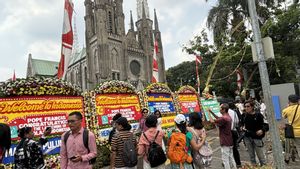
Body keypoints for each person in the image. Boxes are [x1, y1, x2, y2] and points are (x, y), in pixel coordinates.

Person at [207, 103, 237, 169]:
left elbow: (212, 121)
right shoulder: (227, 116)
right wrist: (211, 112)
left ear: (223, 110)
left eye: (220, 108)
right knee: (231, 157)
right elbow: (218, 118)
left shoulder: (224, 118)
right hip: (229, 139)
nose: (219, 109)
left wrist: (208, 113)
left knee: (225, 159)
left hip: (225, 140)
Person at [240, 100, 267, 166]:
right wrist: (241, 127)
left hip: (257, 138)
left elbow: (266, 125)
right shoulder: (244, 115)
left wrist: (262, 130)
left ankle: (264, 167)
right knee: (251, 156)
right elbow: (240, 123)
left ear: (252, 107)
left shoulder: (258, 115)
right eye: (245, 106)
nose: (246, 108)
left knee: (261, 157)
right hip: (247, 137)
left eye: (248, 106)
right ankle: (254, 167)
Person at [228, 103, 242, 168]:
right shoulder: (234, 112)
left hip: (226, 133)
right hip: (233, 131)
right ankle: (238, 163)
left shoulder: (222, 113)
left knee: (227, 149)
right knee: (235, 149)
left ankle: (230, 164)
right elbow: (237, 121)